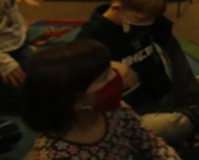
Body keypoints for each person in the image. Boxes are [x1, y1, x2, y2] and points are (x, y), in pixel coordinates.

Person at [76, 0, 199, 146]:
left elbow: (177, 60)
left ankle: (197, 120)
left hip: (169, 94)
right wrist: (112, 69)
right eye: (141, 19)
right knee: (176, 125)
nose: (149, 23)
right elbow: (77, 87)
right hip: (138, 113)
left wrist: (188, 91)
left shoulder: (148, 17)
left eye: (152, 18)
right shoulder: (93, 37)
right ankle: (198, 121)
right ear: (116, 6)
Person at [22, 38, 180, 159]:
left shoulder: (115, 110)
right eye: (104, 77)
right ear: (74, 101)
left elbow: (150, 143)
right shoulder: (56, 154)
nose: (116, 77)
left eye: (111, 69)